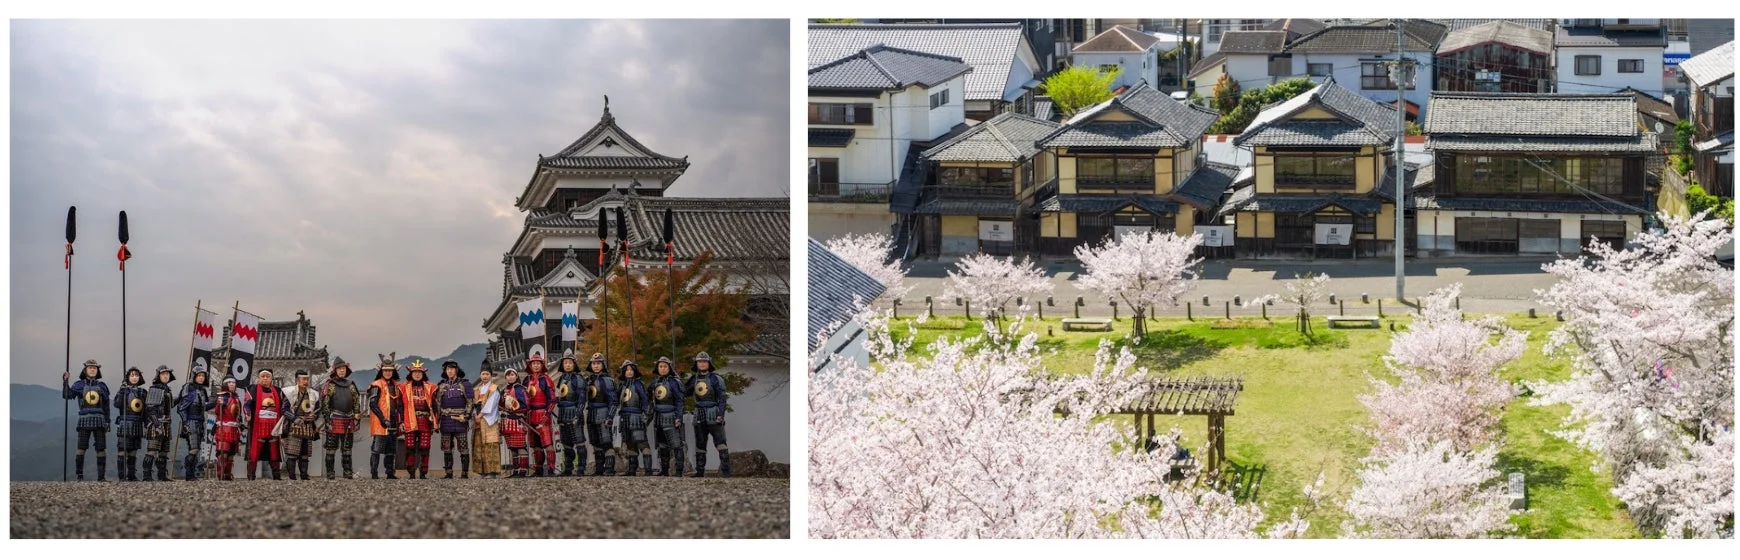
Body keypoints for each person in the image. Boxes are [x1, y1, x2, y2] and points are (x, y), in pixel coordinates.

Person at [63, 359, 111, 482]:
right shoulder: (79, 385)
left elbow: (106, 406)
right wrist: (65, 382)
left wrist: (108, 421)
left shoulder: (102, 386)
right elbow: (67, 395)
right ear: (85, 370)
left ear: (97, 370)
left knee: (101, 447)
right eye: (90, 367)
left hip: (100, 419)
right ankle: (79, 476)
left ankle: (101, 477)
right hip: (84, 419)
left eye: (94, 368)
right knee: (81, 447)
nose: (92, 369)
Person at [318, 356, 363, 479]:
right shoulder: (330, 385)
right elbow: (325, 403)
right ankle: (330, 473)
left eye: (343, 368)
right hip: (334, 418)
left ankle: (347, 472)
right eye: (339, 368)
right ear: (335, 370)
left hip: (349, 419)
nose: (342, 370)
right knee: (331, 447)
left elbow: (356, 402)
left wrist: (357, 417)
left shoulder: (351, 385)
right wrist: (327, 420)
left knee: (347, 448)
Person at [687, 352, 730, 478]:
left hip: (713, 412)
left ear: (709, 363)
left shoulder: (716, 379)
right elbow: (685, 393)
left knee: (720, 442)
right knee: (700, 443)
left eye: (704, 361)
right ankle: (700, 471)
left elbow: (722, 399)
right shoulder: (693, 379)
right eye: (699, 361)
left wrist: (721, 415)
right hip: (699, 413)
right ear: (696, 363)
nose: (702, 363)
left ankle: (726, 471)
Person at [278, 370, 321, 480]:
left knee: (305, 453)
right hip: (294, 425)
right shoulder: (289, 392)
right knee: (292, 452)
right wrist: (294, 419)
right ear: (297, 380)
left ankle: (304, 475)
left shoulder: (314, 394)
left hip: (308, 426)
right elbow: (284, 409)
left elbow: (317, 409)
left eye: (307, 379)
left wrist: (314, 417)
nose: (306, 381)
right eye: (304, 379)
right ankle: (292, 476)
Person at [245, 369, 287, 480]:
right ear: (259, 378)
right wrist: (247, 413)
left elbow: (284, 406)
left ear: (271, 378)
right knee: (254, 452)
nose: (265, 378)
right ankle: (251, 475)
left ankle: (276, 476)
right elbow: (247, 404)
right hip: (258, 425)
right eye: (262, 376)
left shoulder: (278, 391)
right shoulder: (252, 389)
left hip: (274, 425)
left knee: (274, 451)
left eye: (267, 376)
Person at [367, 354, 403, 479]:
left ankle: (390, 473)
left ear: (393, 372)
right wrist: (382, 419)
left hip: (393, 421)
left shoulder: (396, 387)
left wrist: (401, 420)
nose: (388, 373)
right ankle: (374, 473)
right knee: (377, 449)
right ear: (382, 371)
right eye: (385, 370)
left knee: (391, 450)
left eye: (390, 371)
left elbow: (400, 404)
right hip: (380, 422)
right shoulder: (376, 384)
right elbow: (372, 404)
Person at [435, 360, 473, 478]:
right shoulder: (441, 385)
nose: (450, 371)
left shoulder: (465, 384)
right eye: (447, 369)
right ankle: (448, 473)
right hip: (446, 419)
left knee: (463, 447)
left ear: (456, 370)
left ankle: (464, 473)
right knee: (446, 447)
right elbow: (437, 404)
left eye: (452, 368)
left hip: (460, 419)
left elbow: (470, 402)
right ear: (445, 371)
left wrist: (466, 416)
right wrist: (437, 420)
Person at [553, 349, 588, 476]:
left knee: (579, 440)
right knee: (566, 442)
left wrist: (578, 414)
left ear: (574, 364)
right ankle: (568, 467)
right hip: (563, 412)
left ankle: (581, 468)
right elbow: (559, 396)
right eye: (565, 363)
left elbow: (582, 398)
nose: (567, 365)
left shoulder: (578, 378)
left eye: (570, 363)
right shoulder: (561, 378)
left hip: (574, 411)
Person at [583, 353, 619, 476]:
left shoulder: (608, 381)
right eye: (594, 363)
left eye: (598, 363)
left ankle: (609, 468)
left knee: (606, 441)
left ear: (603, 365)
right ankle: (599, 468)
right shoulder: (588, 380)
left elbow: (614, 401)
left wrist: (610, 416)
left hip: (603, 412)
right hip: (591, 413)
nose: (596, 366)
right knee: (595, 442)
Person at [650, 357, 687, 477]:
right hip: (658, 416)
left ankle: (679, 470)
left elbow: (680, 401)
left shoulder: (674, 382)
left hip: (671, 415)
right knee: (662, 444)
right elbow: (646, 396)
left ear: (669, 368)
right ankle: (664, 470)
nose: (662, 368)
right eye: (660, 366)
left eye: (665, 366)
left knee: (676, 444)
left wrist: (678, 417)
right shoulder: (655, 382)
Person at [400, 360, 437, 479]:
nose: (417, 374)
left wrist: (435, 421)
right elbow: (400, 406)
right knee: (409, 446)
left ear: (423, 374)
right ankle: (411, 472)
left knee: (424, 446)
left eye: (419, 372)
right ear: (410, 374)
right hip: (409, 419)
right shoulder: (404, 388)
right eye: (414, 372)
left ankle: (423, 472)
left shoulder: (430, 387)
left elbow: (435, 406)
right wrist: (400, 421)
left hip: (425, 419)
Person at [522, 352, 557, 477]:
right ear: (530, 366)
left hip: (543, 413)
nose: (536, 366)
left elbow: (552, 399)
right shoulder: (526, 380)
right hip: (530, 415)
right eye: (533, 364)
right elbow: (522, 399)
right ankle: (539, 469)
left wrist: (547, 414)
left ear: (542, 365)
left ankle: (552, 468)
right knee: (536, 445)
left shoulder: (546, 380)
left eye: (538, 363)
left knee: (547, 443)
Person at [176, 365, 212, 481]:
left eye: (203, 376)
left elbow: (204, 408)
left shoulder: (202, 390)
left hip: (200, 422)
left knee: (195, 449)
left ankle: (191, 474)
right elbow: (181, 408)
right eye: (199, 375)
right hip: (191, 421)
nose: (201, 378)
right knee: (194, 448)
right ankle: (189, 474)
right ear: (194, 376)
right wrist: (186, 423)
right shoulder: (189, 388)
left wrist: (217, 402)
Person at [616, 359, 652, 476]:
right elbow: (616, 400)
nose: (629, 372)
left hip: (636, 416)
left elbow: (645, 400)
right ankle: (632, 469)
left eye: (631, 370)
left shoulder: (638, 384)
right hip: (625, 417)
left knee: (642, 443)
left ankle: (648, 470)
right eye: (627, 370)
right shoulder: (621, 385)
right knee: (630, 444)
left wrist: (646, 414)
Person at [142, 365, 178, 481]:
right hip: (156, 423)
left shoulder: (167, 390)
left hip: (167, 423)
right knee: (152, 450)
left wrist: (182, 396)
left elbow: (171, 405)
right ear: (158, 375)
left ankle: (162, 476)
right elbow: (150, 409)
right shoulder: (155, 389)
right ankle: (147, 475)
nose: (166, 376)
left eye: (167, 374)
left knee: (164, 451)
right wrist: (157, 425)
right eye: (163, 374)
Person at [114, 367, 149, 482]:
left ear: (140, 377)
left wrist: (145, 425)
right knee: (123, 449)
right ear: (128, 377)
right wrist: (121, 391)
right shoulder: (124, 390)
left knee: (134, 450)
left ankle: (131, 475)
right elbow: (117, 404)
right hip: (125, 421)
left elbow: (146, 411)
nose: (134, 377)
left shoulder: (143, 392)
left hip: (138, 423)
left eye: (136, 375)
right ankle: (121, 476)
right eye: (132, 375)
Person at [471, 361, 502, 479]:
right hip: (479, 421)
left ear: (491, 375)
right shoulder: (477, 389)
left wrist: (480, 415)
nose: (485, 376)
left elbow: (491, 404)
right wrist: (475, 414)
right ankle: (482, 471)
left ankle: (492, 471)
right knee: (480, 445)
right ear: (480, 375)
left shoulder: (494, 388)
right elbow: (474, 404)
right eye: (483, 374)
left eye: (487, 374)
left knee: (491, 445)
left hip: (489, 421)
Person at [210, 375, 245, 480]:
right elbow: (217, 412)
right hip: (223, 428)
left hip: (234, 429)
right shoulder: (221, 396)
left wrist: (241, 424)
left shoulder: (237, 399)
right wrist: (219, 404)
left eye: (233, 383)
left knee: (231, 455)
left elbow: (238, 415)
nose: (232, 384)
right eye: (229, 383)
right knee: (222, 453)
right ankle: (220, 474)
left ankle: (227, 475)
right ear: (225, 384)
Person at [498, 368, 531, 478]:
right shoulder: (503, 390)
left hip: (518, 420)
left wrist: (515, 409)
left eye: (512, 374)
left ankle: (523, 471)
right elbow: (501, 406)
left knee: (520, 446)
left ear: (516, 376)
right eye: (508, 375)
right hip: (507, 421)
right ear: (506, 377)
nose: (510, 377)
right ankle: (516, 471)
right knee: (512, 447)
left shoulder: (521, 389)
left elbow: (526, 405)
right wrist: (502, 401)